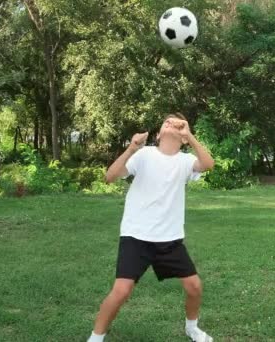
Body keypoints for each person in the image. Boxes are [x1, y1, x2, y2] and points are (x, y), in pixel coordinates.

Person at [87, 113, 215, 342]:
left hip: (170, 239)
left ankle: (191, 327)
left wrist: (190, 136)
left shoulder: (185, 161)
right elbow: (109, 176)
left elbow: (208, 165)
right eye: (166, 121)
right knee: (121, 291)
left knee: (194, 286)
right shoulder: (144, 155)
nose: (170, 122)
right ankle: (96, 337)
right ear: (159, 133)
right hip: (136, 235)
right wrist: (131, 148)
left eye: (176, 123)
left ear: (183, 138)